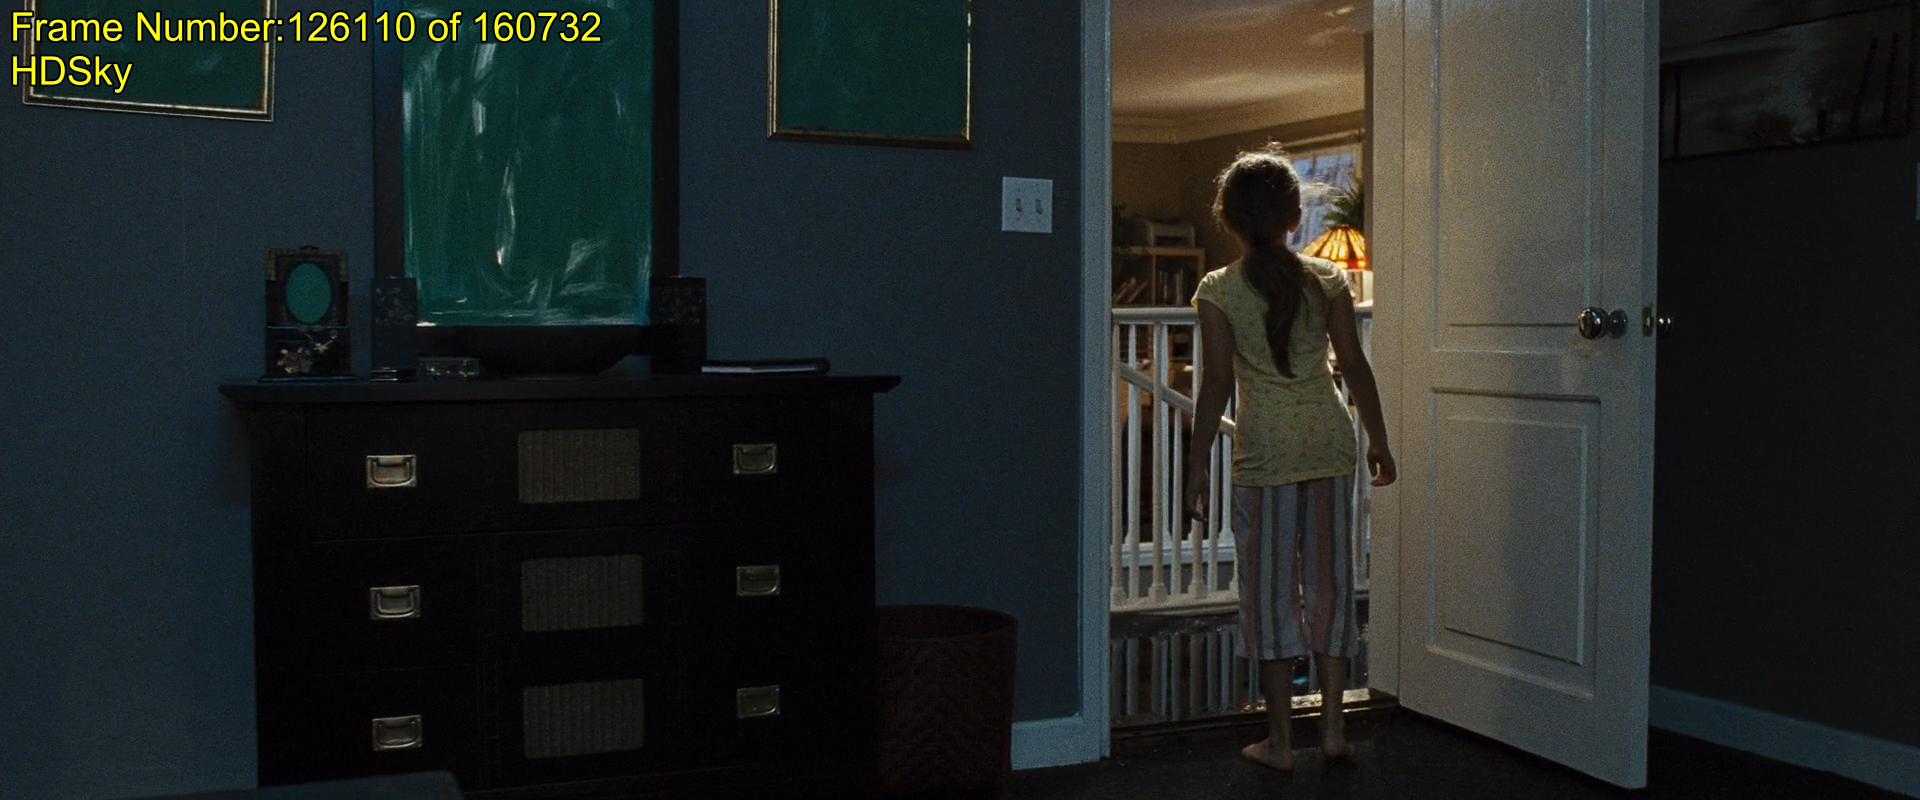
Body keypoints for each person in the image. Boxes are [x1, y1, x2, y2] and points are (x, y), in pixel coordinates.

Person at [1182, 143, 1396, 771]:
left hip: (1266, 454)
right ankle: (1332, 731)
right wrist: (1379, 438)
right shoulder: (1326, 279)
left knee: (1270, 595)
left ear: (1228, 220)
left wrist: (1196, 463)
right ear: (1295, 217)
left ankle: (1280, 743)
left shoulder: (1218, 289)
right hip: (1329, 443)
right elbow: (1354, 366)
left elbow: (1217, 383)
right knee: (1331, 587)